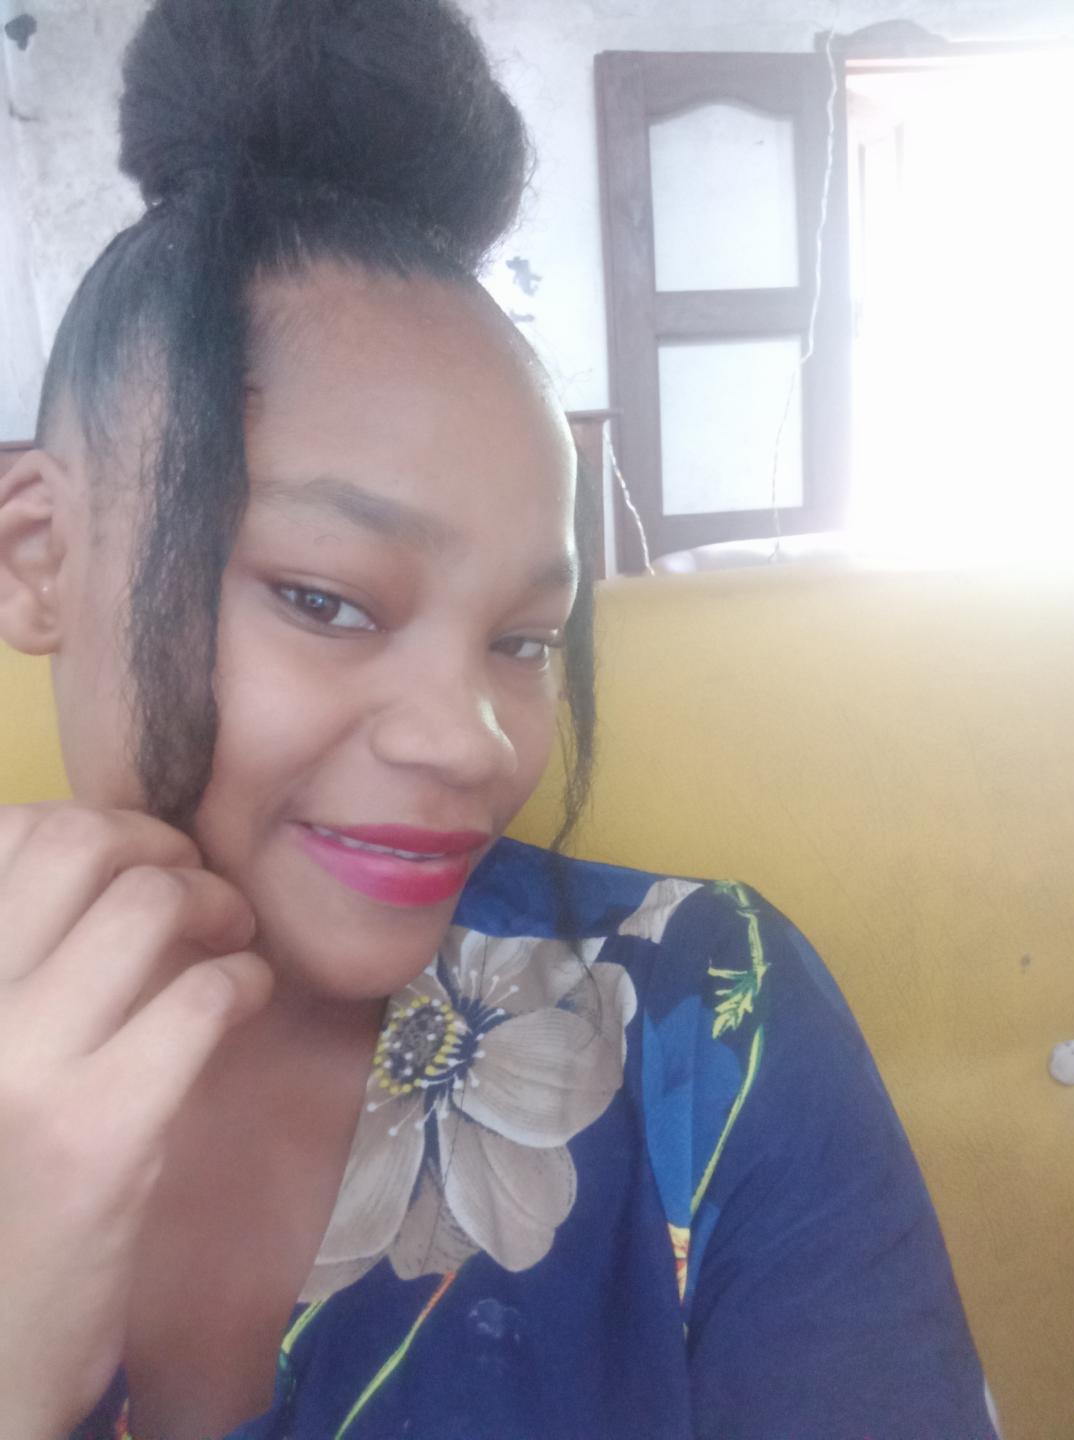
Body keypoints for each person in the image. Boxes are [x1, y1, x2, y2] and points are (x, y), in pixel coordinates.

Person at [0, 2, 1001, 1438]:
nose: (475, 741)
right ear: (41, 556)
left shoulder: (705, 1024)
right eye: (326, 599)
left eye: (524, 640)